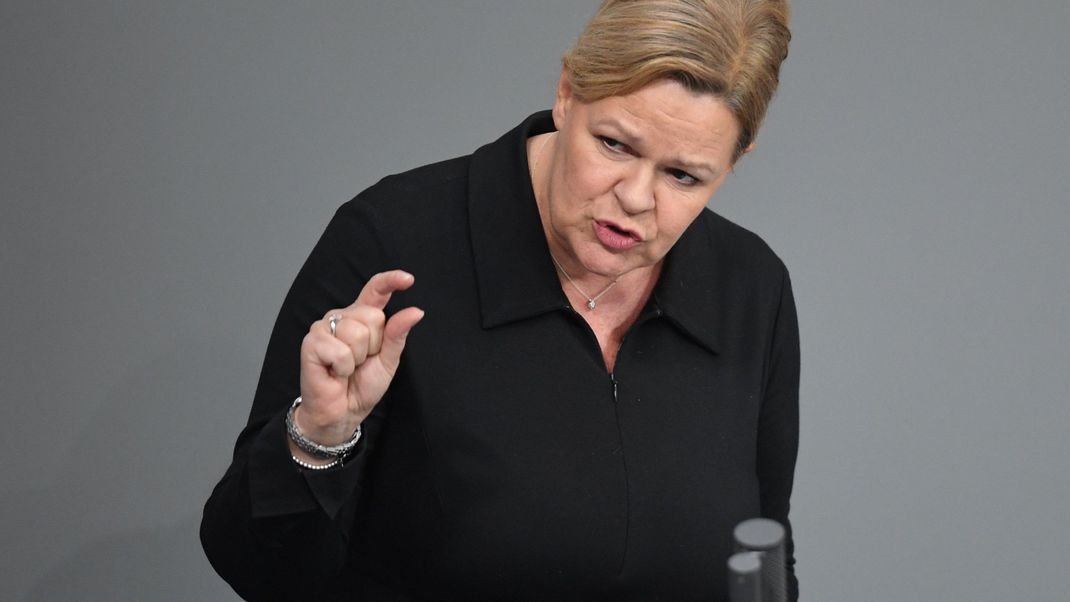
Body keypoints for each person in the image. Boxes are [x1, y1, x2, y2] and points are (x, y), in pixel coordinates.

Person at [201, 1, 798, 600]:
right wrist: (319, 438)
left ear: (735, 162)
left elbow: (765, 551)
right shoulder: (392, 243)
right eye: (614, 145)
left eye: (684, 176)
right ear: (567, 94)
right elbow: (258, 569)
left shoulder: (750, 287)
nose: (637, 197)